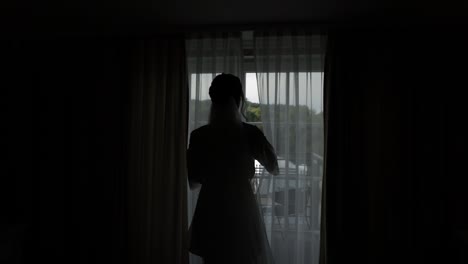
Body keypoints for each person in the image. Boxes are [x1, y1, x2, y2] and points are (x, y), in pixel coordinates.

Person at [187, 73, 279, 264]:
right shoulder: (250, 133)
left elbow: (194, 181)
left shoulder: (198, 136)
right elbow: (274, 167)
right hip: (242, 207)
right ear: (239, 100)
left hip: (210, 208)